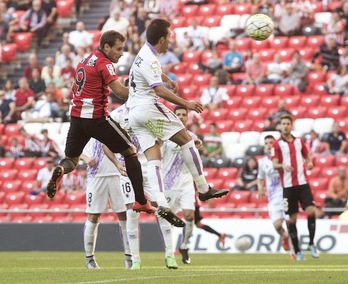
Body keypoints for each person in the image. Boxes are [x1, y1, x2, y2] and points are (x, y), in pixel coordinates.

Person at [127, 19, 229, 226]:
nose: (171, 40)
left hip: (134, 113)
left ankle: (162, 204)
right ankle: (203, 189)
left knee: (153, 159)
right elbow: (158, 90)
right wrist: (186, 104)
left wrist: (167, 78)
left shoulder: (145, 54)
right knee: (186, 140)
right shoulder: (151, 59)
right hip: (148, 108)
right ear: (162, 39)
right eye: (170, 37)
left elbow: (152, 74)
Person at [46, 30, 155, 217]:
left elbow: (74, 88)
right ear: (106, 47)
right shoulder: (104, 63)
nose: (121, 53)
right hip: (95, 118)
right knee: (129, 151)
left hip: (76, 118)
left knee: (72, 159)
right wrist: (141, 89)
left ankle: (61, 169)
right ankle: (141, 201)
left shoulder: (84, 60)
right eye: (118, 49)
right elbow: (120, 93)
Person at [110, 103, 178, 270]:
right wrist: (117, 164)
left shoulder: (149, 109)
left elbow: (161, 136)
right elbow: (106, 143)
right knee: (132, 212)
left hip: (149, 168)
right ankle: (135, 260)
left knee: (162, 208)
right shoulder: (116, 115)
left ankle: (170, 256)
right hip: (128, 170)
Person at [80, 138, 139, 270]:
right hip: (96, 176)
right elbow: (72, 150)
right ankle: (90, 258)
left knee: (123, 215)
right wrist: (85, 157)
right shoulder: (85, 125)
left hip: (118, 174)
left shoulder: (114, 121)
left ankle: (129, 257)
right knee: (94, 215)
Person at [271, 114, 319, 261]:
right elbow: (274, 164)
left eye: (287, 123)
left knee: (311, 210)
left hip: (303, 183)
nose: (285, 126)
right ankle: (297, 251)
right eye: (283, 123)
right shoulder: (277, 144)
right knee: (292, 218)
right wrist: (282, 165)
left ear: (292, 125)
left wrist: (309, 163)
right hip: (288, 186)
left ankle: (311, 243)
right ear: (280, 126)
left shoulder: (299, 141)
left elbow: (307, 156)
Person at [162, 106, 198, 265]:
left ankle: (184, 246)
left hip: (186, 183)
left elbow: (195, 159)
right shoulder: (164, 136)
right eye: (179, 114)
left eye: (184, 114)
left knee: (190, 216)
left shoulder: (191, 136)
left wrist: (197, 146)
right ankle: (169, 253)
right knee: (168, 220)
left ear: (188, 118)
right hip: (168, 183)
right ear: (173, 116)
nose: (182, 117)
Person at [257, 135, 291, 255]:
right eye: (266, 143)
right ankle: (284, 236)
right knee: (277, 225)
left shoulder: (283, 159)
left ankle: (295, 251)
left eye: (271, 142)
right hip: (273, 198)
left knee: (290, 223)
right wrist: (260, 189)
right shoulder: (262, 162)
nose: (269, 145)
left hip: (287, 194)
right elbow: (260, 178)